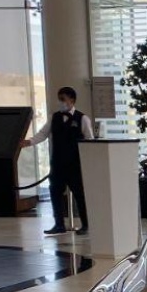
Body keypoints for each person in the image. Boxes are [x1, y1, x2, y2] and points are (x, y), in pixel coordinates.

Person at [25, 85, 93, 236]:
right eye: (59, 99)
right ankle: (59, 224)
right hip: (57, 163)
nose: (60, 102)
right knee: (55, 193)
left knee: (80, 195)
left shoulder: (82, 118)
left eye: (63, 99)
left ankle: (86, 224)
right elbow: (43, 134)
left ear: (72, 100)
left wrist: (87, 162)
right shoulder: (54, 117)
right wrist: (29, 142)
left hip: (75, 164)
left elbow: (89, 141)